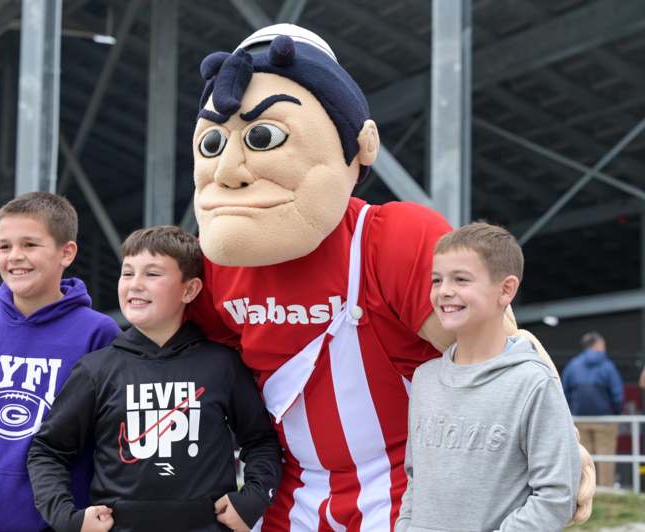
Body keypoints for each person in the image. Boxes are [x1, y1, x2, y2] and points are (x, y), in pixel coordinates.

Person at [187, 23, 594, 530]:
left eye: (264, 137)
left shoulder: (392, 239)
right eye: (211, 145)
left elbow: (497, 349)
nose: (231, 169)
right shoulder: (218, 269)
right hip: (288, 501)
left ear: (358, 146)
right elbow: (197, 366)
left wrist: (563, 446)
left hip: (409, 497)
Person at [27, 226, 282, 532]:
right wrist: (68, 518)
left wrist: (252, 500)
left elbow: (261, 442)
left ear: (190, 290)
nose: (135, 285)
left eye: (152, 274)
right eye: (127, 273)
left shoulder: (222, 364)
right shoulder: (96, 370)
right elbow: (47, 450)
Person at [0, 192, 121, 532]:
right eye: (5, 246)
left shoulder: (99, 333)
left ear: (66, 252)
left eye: (30, 245)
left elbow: (109, 443)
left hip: (60, 521)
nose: (15, 257)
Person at [396, 222, 580, 531]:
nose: (445, 291)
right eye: (437, 280)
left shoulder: (532, 383)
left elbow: (557, 496)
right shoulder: (425, 379)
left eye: (461, 279)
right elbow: (417, 480)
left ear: (506, 289)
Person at [562, 331, 624, 486]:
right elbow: (617, 394)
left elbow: (564, 392)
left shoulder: (572, 366)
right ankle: (606, 492)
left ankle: (585, 491)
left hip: (580, 420)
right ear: (598, 345)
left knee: (584, 459)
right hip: (605, 420)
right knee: (606, 457)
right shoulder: (608, 366)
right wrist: (616, 413)